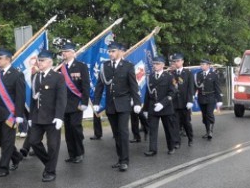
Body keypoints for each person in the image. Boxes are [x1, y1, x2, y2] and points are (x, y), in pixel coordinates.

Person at [93, 42, 141, 172]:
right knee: (116, 134)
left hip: (124, 104)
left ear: (120, 52)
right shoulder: (105, 66)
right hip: (110, 105)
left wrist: (137, 102)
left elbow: (133, 85)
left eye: (113, 51)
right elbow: (99, 85)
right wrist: (96, 102)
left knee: (123, 132)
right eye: (109, 51)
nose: (110, 54)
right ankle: (120, 159)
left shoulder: (128, 66)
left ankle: (125, 160)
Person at [29, 49, 67, 182]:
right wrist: (30, 117)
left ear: (50, 62)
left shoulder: (58, 77)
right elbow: (33, 98)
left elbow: (61, 98)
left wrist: (59, 117)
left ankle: (50, 171)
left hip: (52, 117)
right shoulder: (35, 77)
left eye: (42, 60)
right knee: (33, 141)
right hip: (37, 117)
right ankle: (49, 163)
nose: (39, 63)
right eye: (39, 60)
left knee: (53, 145)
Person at [0, 49, 26, 177]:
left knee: (7, 141)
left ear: (8, 59)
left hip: (10, 114)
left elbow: (20, 96)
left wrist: (19, 115)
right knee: (0, 140)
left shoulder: (17, 74)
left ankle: (3, 168)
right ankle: (16, 156)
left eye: (0, 58)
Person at [58, 42, 90, 164]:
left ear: (72, 52)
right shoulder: (60, 67)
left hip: (77, 103)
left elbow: (85, 85)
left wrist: (84, 102)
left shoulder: (81, 66)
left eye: (65, 51)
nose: (63, 54)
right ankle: (72, 154)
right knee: (68, 130)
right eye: (62, 52)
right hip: (64, 104)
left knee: (76, 128)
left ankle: (80, 153)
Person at [143, 56, 177, 156]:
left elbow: (173, 92)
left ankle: (171, 147)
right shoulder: (150, 77)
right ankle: (152, 149)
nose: (155, 66)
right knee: (152, 129)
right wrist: (145, 108)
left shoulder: (169, 76)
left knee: (168, 129)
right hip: (153, 107)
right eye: (154, 64)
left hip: (165, 107)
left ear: (162, 65)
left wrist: (163, 103)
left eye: (157, 64)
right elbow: (147, 94)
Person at [170, 53, 195, 146]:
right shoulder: (172, 74)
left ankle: (190, 138)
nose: (176, 63)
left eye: (178, 61)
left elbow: (191, 87)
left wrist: (190, 100)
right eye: (175, 61)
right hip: (175, 102)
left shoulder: (188, 73)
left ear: (182, 61)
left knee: (186, 123)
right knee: (175, 123)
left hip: (185, 102)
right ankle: (177, 142)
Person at [195, 58, 223, 139]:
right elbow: (195, 86)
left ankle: (210, 132)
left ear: (208, 65)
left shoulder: (214, 75)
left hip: (211, 97)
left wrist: (219, 100)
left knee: (209, 114)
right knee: (204, 115)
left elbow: (217, 88)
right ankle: (207, 131)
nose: (201, 66)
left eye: (203, 64)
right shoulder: (198, 74)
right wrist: (193, 95)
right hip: (201, 97)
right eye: (201, 64)